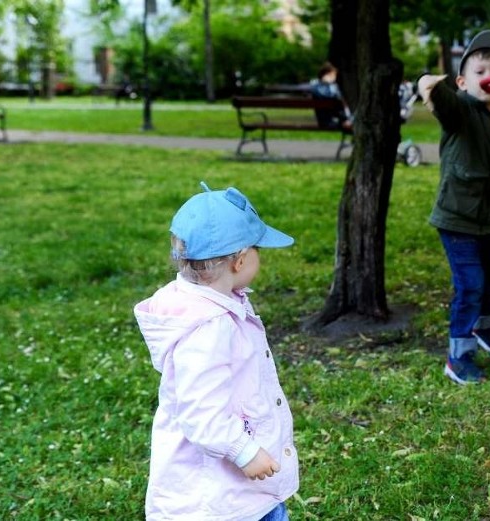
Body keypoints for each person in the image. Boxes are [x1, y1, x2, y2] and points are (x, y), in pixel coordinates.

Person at [134, 182, 299, 520]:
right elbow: (201, 411)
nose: (260, 257)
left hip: (240, 492)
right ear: (240, 261)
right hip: (216, 498)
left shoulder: (211, 305)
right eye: (258, 249)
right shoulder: (207, 327)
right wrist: (245, 452)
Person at [417, 30, 490, 385]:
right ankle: (458, 355)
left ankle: (485, 330)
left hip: (489, 218)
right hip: (457, 219)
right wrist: (429, 85)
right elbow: (442, 100)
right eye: (481, 71)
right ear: (463, 82)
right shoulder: (461, 110)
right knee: (470, 286)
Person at [310, 62, 352, 130]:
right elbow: (327, 96)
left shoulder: (332, 86)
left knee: (340, 103)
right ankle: (347, 121)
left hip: (334, 118)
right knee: (338, 102)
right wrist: (327, 84)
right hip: (327, 120)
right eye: (332, 75)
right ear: (325, 74)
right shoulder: (317, 85)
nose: (334, 77)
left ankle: (347, 121)